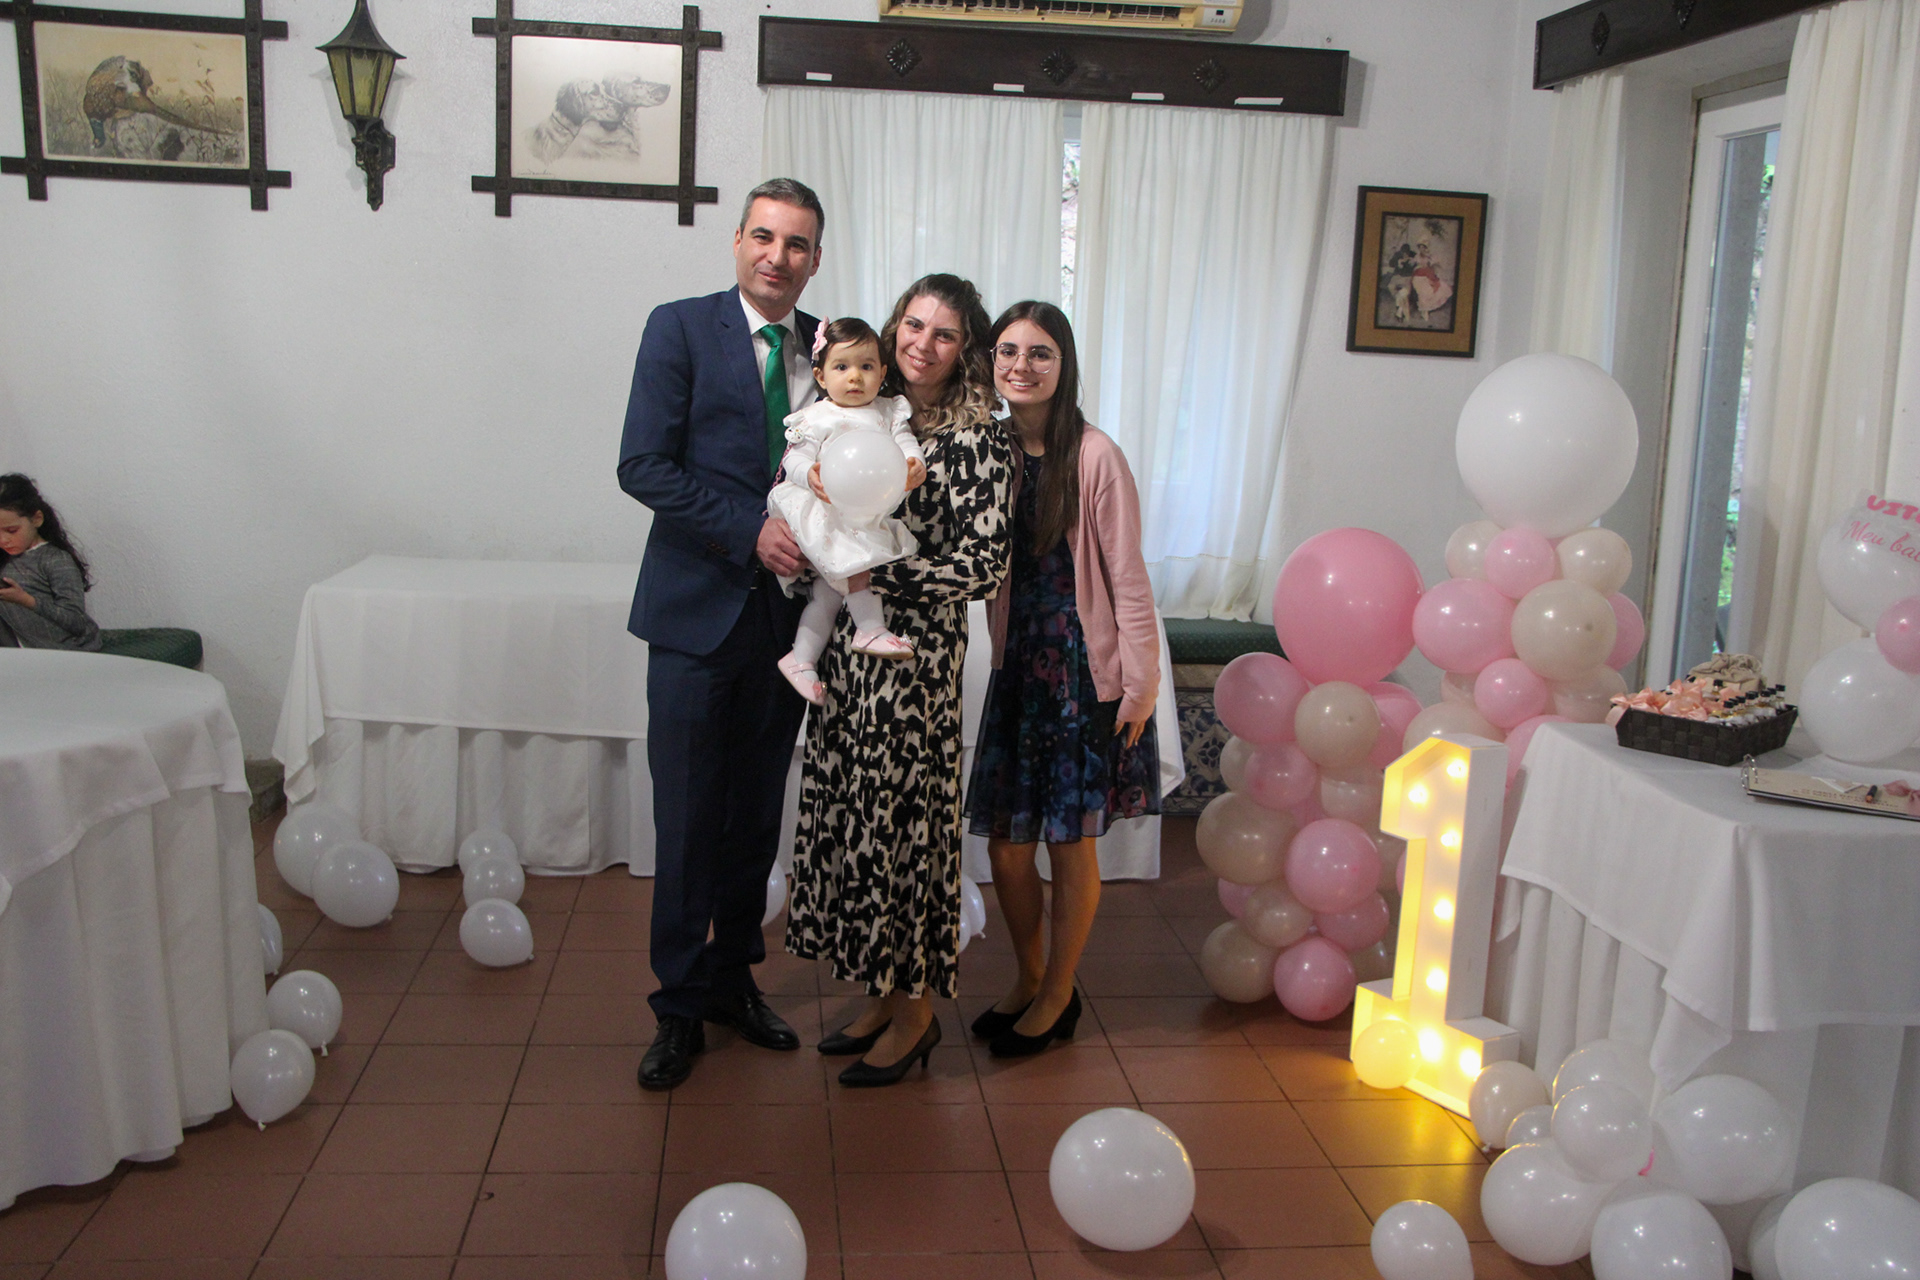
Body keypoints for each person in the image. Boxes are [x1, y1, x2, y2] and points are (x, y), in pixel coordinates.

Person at [616, 177, 825, 1091]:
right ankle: (677, 1004)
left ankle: (735, 980)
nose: (778, 257)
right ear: (737, 240)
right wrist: (748, 530)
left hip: (786, 627)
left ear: (815, 260)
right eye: (765, 237)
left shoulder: (830, 344)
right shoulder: (679, 328)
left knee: (753, 817)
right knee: (688, 818)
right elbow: (642, 465)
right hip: (695, 617)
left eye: (797, 244)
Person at [785, 274, 1017, 1086]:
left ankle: (917, 1016)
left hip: (914, 663)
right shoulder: (864, 408)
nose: (923, 343)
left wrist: (870, 576)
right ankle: (882, 997)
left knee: (906, 835)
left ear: (965, 348)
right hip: (852, 655)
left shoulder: (978, 435)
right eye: (913, 325)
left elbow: (983, 565)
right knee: (858, 820)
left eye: (944, 333)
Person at [963, 300, 1162, 1058]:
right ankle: (1030, 975)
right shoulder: (990, 448)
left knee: (1070, 844)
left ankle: (1058, 992)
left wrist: (1141, 685)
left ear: (1063, 364)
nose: (1022, 365)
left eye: (1040, 352)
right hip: (1019, 668)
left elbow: (1129, 579)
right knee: (1008, 849)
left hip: (1083, 672)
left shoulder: (1096, 454)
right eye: (1008, 351)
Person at [769, 316, 928, 704]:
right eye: (842, 367)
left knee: (827, 594)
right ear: (821, 377)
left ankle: (801, 658)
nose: (855, 377)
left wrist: (914, 463)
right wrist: (810, 474)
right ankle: (870, 628)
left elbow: (906, 443)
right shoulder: (818, 416)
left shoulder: (889, 412)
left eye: (866, 366)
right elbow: (794, 459)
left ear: (883, 373)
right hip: (826, 510)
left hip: (864, 511)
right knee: (857, 564)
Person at [0, 473, 102, 652]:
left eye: (12, 530)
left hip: (68, 652)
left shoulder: (55, 559)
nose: (3, 540)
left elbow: (77, 622)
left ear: (36, 519)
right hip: (19, 654)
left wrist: (27, 600)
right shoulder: (4, 558)